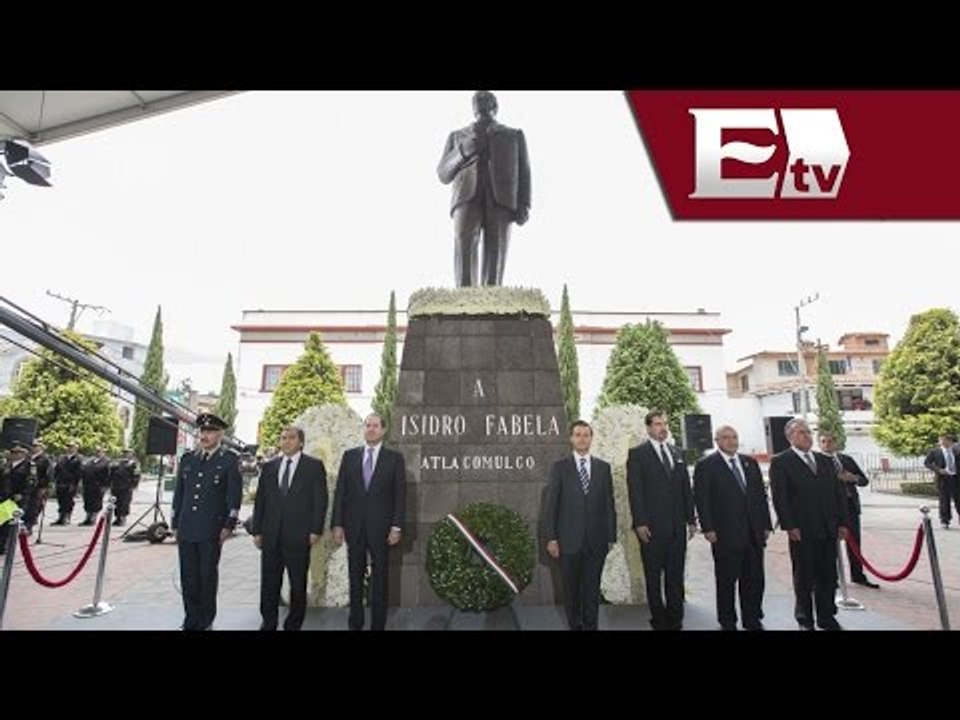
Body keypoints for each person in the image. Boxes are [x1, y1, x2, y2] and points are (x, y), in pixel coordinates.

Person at [437, 90, 531, 287]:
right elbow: (443, 173)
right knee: (464, 244)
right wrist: (463, 151)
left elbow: (524, 171)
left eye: (485, 101)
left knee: (496, 250)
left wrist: (524, 204)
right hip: (466, 198)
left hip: (501, 200)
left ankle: (491, 297)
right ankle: (464, 297)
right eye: (477, 101)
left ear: (494, 107)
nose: (480, 104)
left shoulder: (513, 136)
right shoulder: (457, 137)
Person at [770, 418, 849, 630]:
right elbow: (780, 497)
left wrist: (843, 522)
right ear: (790, 437)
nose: (807, 436)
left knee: (828, 575)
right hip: (802, 529)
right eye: (801, 432)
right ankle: (805, 619)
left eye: (808, 432)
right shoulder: (781, 461)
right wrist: (789, 525)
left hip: (828, 527)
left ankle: (827, 616)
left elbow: (838, 493)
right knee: (804, 576)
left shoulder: (824, 460)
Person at [693, 425, 773, 630]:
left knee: (754, 579)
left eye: (734, 437)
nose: (731, 441)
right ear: (717, 441)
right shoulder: (706, 465)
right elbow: (702, 499)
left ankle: (752, 618)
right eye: (726, 437)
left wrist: (765, 524)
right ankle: (728, 621)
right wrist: (708, 528)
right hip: (724, 534)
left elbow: (760, 496)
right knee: (727, 581)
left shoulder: (750, 463)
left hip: (753, 533)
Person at [331, 414, 406, 631]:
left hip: (382, 530)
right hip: (354, 528)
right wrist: (337, 524)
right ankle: (355, 623)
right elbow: (341, 492)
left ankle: (377, 624)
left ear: (383, 430)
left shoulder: (394, 459)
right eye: (368, 425)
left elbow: (400, 495)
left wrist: (396, 526)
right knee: (355, 578)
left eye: (375, 426)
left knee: (380, 580)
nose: (371, 429)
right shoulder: (350, 456)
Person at [251, 426, 328, 631]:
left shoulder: (313, 466)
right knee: (269, 583)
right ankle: (268, 622)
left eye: (291, 438)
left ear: (301, 442)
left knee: (297, 584)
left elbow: (320, 501)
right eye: (283, 437)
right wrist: (257, 531)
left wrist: (316, 530)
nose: (286, 441)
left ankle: (293, 624)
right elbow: (261, 501)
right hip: (271, 537)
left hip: (299, 537)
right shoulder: (269, 467)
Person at [626, 410, 697, 631]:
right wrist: (640, 522)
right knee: (654, 577)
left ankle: (676, 620)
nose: (663, 428)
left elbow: (686, 489)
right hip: (651, 529)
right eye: (658, 424)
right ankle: (658, 620)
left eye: (665, 424)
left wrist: (691, 519)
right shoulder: (638, 454)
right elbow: (635, 491)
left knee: (675, 577)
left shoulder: (677, 452)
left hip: (677, 528)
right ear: (648, 427)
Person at [171, 413, 242, 631]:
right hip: (187, 527)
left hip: (211, 529)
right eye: (202, 431)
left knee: (207, 576)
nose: (204, 435)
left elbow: (234, 496)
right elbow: (179, 494)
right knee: (188, 576)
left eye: (210, 431)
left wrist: (229, 524)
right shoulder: (188, 459)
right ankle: (190, 618)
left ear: (220, 434)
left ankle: (205, 620)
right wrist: (175, 522)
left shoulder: (228, 460)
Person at [545, 420, 616, 631]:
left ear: (591, 438)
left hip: (597, 541)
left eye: (586, 435)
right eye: (578, 434)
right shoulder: (560, 468)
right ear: (571, 439)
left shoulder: (603, 468)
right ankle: (575, 626)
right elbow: (552, 505)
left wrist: (611, 537)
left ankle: (591, 626)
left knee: (592, 590)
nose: (582, 438)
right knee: (571, 590)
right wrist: (551, 538)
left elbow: (609, 504)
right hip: (568, 541)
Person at [818, 431, 878, 588]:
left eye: (830, 441)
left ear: (835, 443)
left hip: (850, 506)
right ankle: (833, 579)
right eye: (823, 441)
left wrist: (853, 478)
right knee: (831, 546)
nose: (827, 444)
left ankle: (857, 575)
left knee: (855, 543)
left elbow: (864, 480)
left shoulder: (846, 460)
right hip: (830, 509)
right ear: (819, 444)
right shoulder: (817, 461)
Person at [924, 434, 960, 530]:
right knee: (944, 501)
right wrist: (938, 470)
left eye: (944, 441)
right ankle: (945, 520)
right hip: (943, 479)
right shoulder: (935, 452)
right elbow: (927, 463)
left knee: (958, 500)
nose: (942, 442)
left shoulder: (956, 451)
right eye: (940, 441)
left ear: (950, 441)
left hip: (956, 478)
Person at [52, 442, 82, 525]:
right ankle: (60, 517)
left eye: (72, 447)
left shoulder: (78, 459)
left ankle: (67, 517)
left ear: (76, 449)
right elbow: (57, 470)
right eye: (68, 447)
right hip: (60, 482)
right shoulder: (61, 458)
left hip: (70, 483)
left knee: (68, 501)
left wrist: (74, 484)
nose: (70, 449)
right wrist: (55, 481)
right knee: (60, 500)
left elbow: (78, 473)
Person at [108, 448, 140, 526]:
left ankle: (123, 518)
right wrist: (110, 484)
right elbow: (111, 473)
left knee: (124, 503)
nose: (125, 454)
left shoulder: (133, 463)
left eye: (127, 453)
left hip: (126, 487)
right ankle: (117, 518)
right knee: (116, 503)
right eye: (124, 452)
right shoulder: (117, 462)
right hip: (116, 486)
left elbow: (136, 475)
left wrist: (134, 485)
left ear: (131, 454)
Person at [80, 446, 110, 526]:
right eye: (96, 451)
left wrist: (105, 486)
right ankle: (87, 517)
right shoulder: (90, 461)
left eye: (100, 451)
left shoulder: (106, 462)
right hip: (88, 484)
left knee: (96, 502)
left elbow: (108, 475)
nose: (98, 453)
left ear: (103, 452)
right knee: (87, 501)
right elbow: (84, 471)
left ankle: (93, 517)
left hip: (98, 485)